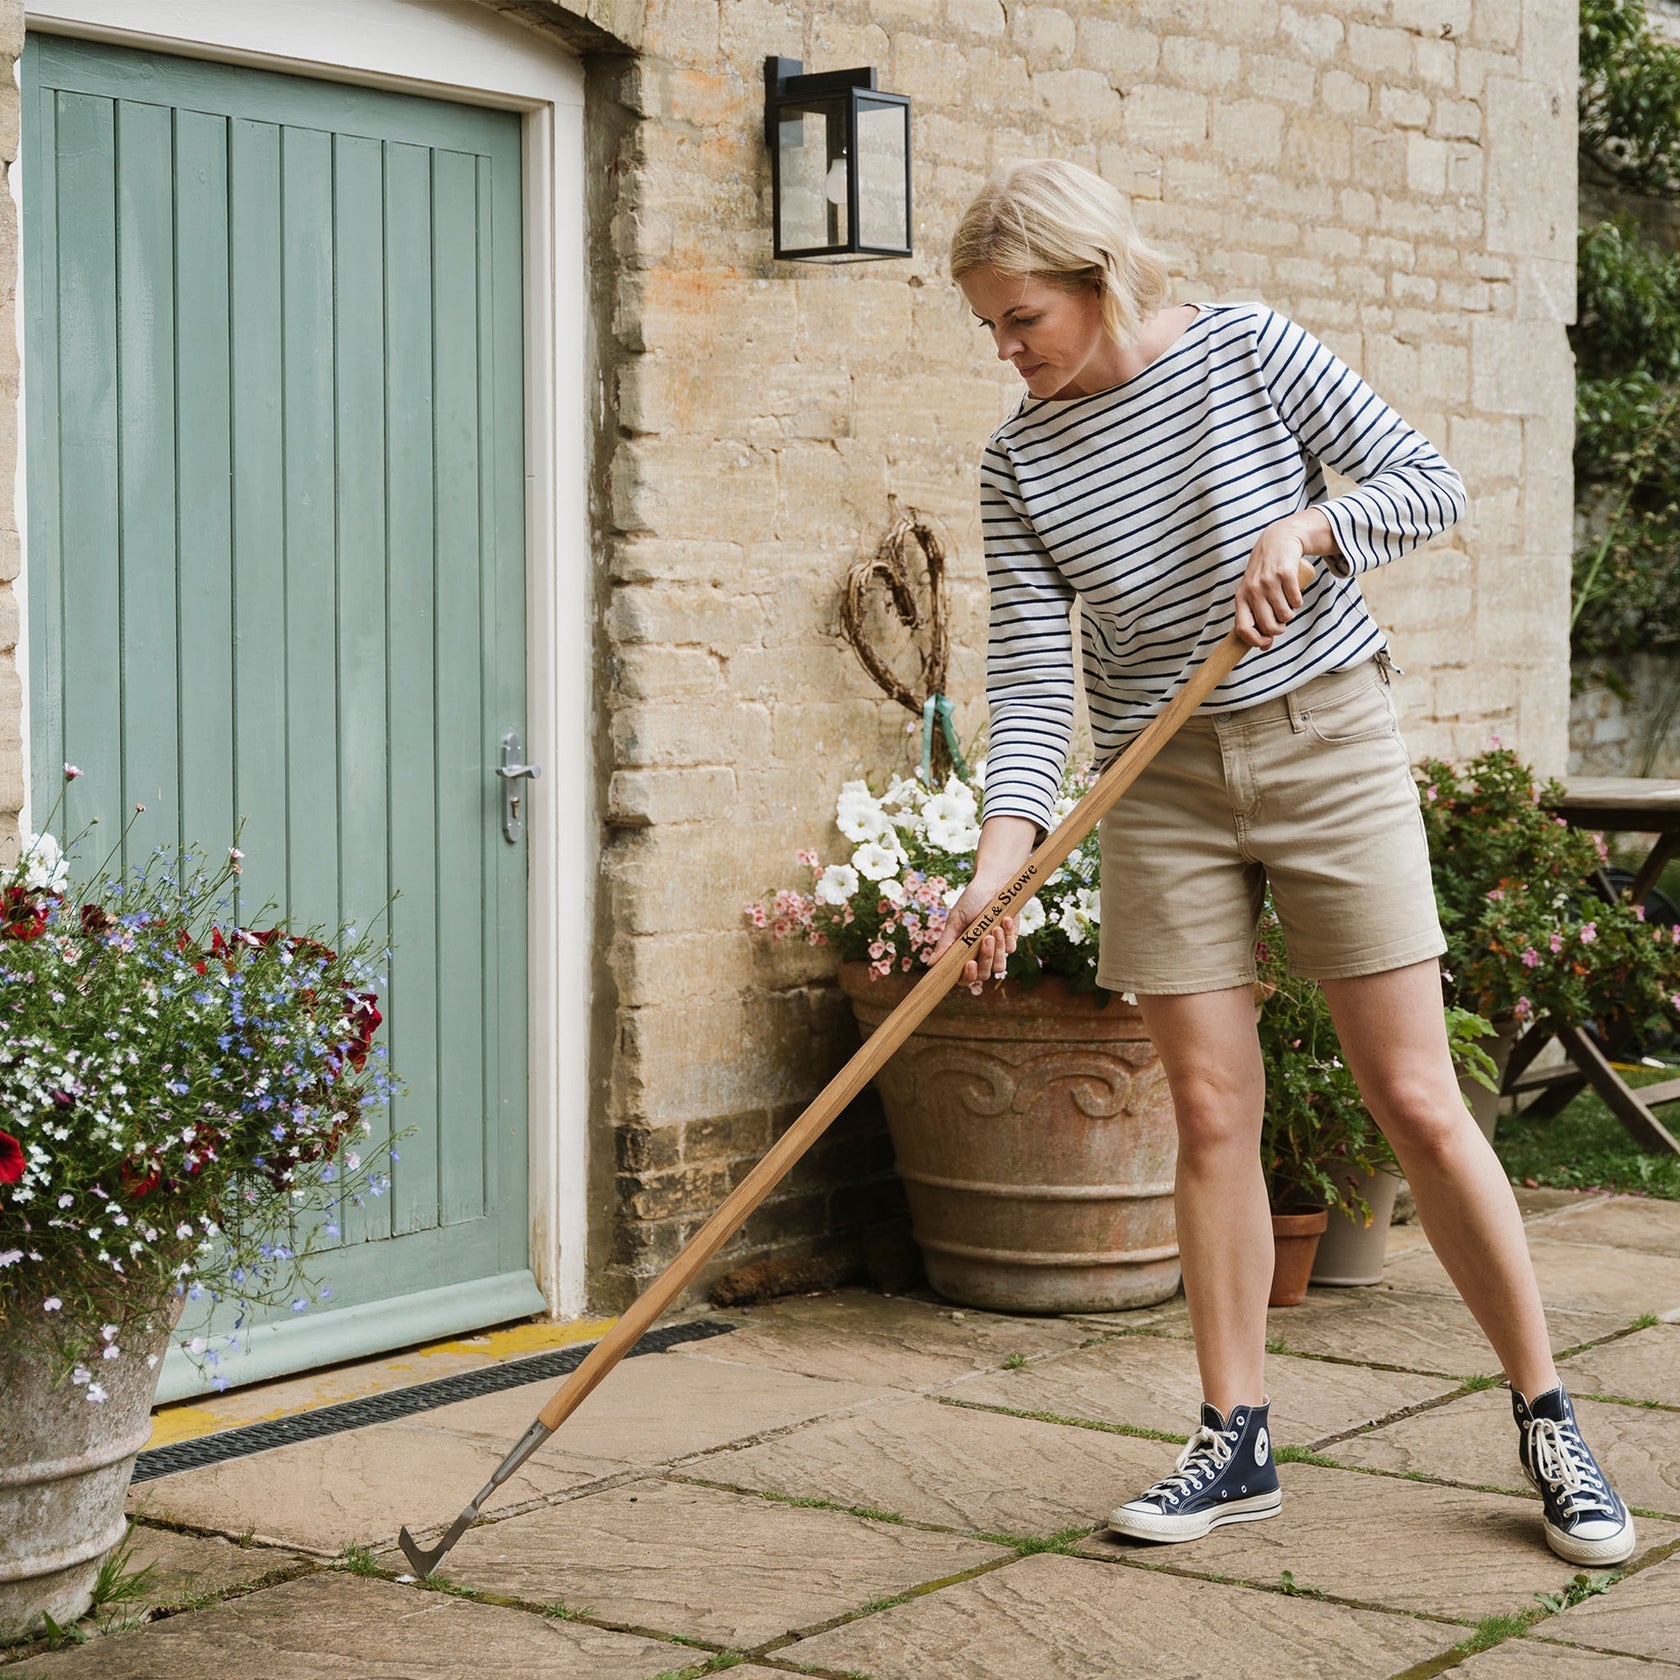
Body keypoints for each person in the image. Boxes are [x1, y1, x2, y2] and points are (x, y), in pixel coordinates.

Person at [929, 157, 1635, 1568]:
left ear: (1098, 279)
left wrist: (1312, 529)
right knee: (1205, 1109)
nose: (1006, 353)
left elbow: (1430, 485)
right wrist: (998, 867)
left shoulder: (1247, 352)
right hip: (1160, 781)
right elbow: (1026, 682)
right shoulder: (1018, 459)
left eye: (1022, 320)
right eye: (992, 331)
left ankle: (1551, 1416)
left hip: (1324, 741)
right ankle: (1233, 1434)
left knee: (1418, 1099)